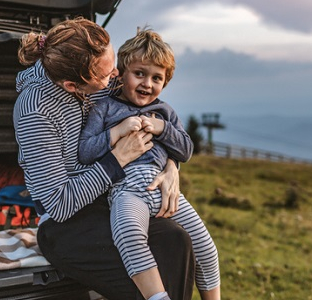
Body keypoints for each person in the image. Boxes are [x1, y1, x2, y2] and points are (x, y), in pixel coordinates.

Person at [14, 18, 195, 300]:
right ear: (73, 86)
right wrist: (116, 160)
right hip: (66, 225)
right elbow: (59, 205)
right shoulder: (35, 112)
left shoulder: (104, 80)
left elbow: (153, 116)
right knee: (145, 277)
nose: (116, 75)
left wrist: (171, 166)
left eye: (113, 66)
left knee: (177, 240)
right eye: (107, 73)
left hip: (114, 200)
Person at [78, 29, 221, 300]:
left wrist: (162, 128)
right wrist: (117, 132)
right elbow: (85, 152)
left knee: (206, 248)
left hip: (167, 193)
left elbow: (186, 150)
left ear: (165, 83)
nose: (147, 83)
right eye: (139, 74)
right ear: (121, 72)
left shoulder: (165, 112)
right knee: (129, 236)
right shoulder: (105, 109)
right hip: (126, 190)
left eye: (157, 78)